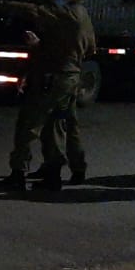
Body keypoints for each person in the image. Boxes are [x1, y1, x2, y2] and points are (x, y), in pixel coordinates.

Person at [0, 0, 96, 192]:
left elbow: (33, 10)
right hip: (70, 76)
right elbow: (90, 48)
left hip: (54, 76)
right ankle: (54, 175)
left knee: (28, 124)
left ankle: (18, 174)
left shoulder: (66, 13)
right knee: (57, 126)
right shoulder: (84, 16)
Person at [23, 29, 88, 184]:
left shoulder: (56, 24)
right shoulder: (78, 22)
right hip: (71, 74)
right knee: (70, 125)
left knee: (52, 125)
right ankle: (76, 169)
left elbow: (53, 51)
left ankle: (53, 172)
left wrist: (37, 45)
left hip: (59, 76)